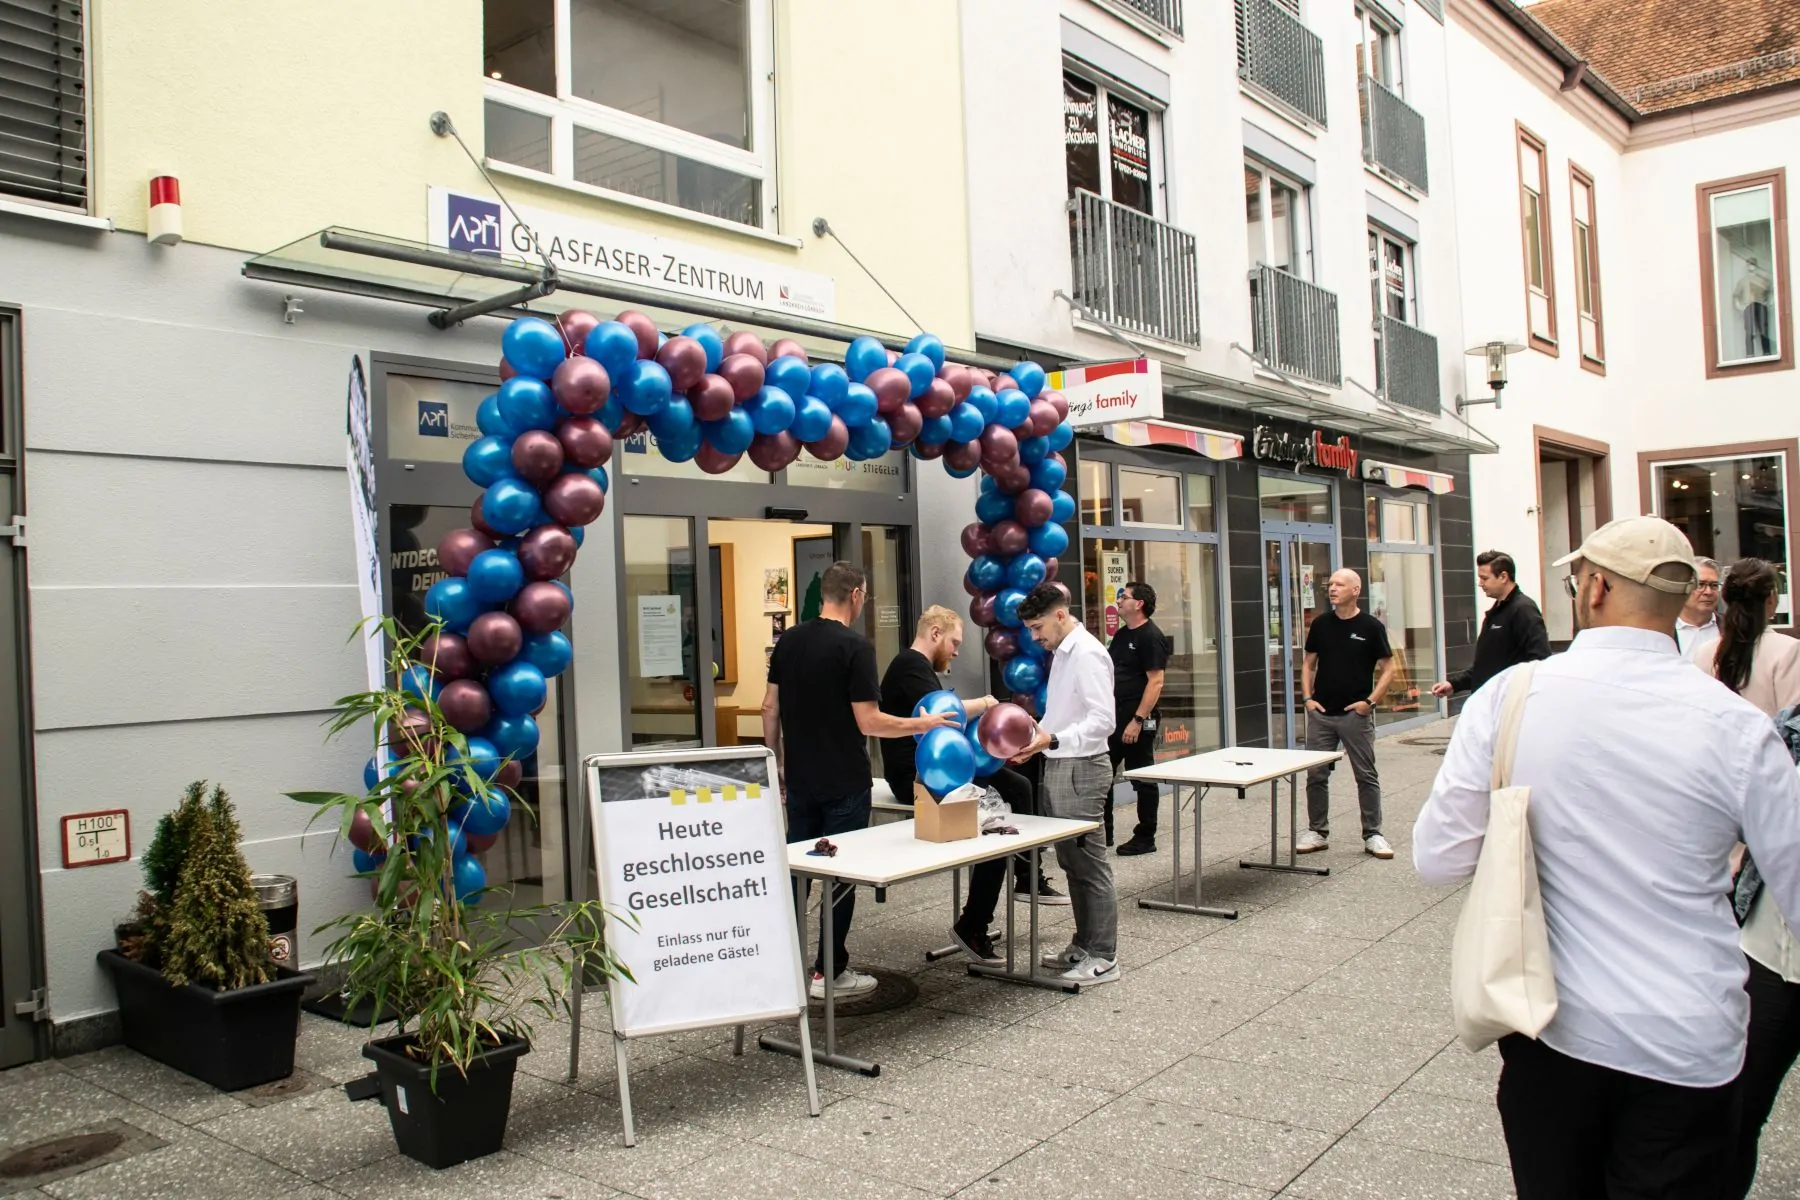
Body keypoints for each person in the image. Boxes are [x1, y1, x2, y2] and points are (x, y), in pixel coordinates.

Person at [1413, 517, 1800, 1200]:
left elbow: (1439, 858)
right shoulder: (1738, 727)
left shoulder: (1511, 696)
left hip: (1550, 1024)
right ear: (1684, 599)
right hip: (1689, 1036)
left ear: (1593, 588)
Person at [762, 562, 956, 999]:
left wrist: (777, 763)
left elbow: (768, 708)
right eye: (865, 597)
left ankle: (782, 969)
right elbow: (868, 722)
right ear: (855, 596)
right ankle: (829, 973)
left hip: (801, 778)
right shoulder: (856, 647)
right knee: (840, 875)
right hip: (845, 780)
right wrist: (920, 726)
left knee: (797, 874)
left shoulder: (788, 640)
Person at [1692, 559, 1800, 1199]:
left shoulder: (1708, 650)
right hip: (1764, 823)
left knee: (1745, 1097)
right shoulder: (1785, 653)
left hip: (1731, 825)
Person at [877, 607, 1061, 964]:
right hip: (920, 777)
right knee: (998, 829)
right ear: (934, 633)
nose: (957, 651)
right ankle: (973, 923)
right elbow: (946, 716)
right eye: (955, 642)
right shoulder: (909, 667)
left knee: (1018, 787)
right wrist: (988, 703)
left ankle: (1026, 873)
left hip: (943, 769)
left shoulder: (916, 668)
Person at [1011, 583, 1122, 986]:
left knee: (1089, 864)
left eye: (1038, 627)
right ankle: (1084, 944)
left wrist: (1053, 739)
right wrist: (1037, 740)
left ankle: (1105, 956)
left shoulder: (1088, 652)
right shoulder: (1062, 652)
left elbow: (1103, 720)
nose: (1034, 637)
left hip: (1082, 767)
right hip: (1061, 763)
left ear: (1060, 615)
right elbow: (1065, 713)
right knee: (1073, 864)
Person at [1297, 569, 1397, 859]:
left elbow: (1389, 668)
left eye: (1339, 585)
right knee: (1316, 775)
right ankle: (1317, 831)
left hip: (1356, 715)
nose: (1332, 589)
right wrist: (1307, 699)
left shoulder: (1371, 626)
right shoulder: (1320, 624)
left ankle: (1373, 834)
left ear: (1356, 590)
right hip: (1322, 714)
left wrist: (1370, 702)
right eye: (1330, 585)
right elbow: (1308, 664)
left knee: (1365, 775)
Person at [1431, 550, 1550, 700]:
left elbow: (1540, 660)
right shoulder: (1495, 612)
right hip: (1488, 702)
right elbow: (1485, 665)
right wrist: (1454, 685)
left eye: (1484, 578)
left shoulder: (1523, 609)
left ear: (1503, 577)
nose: (1480, 584)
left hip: (1507, 704)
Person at [1109, 581, 1169, 857]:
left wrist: (1137, 720)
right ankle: (1103, 832)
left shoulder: (1150, 636)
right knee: (1103, 774)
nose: (1119, 600)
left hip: (1137, 719)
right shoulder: (1122, 636)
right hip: (1115, 717)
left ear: (1139, 604)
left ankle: (1146, 836)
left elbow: (1155, 682)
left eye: (1125, 596)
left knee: (1142, 777)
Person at [1676, 557, 1722, 657]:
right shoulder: (1664, 629)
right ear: (1684, 587)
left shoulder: (1730, 627)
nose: (1708, 592)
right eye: (1700, 585)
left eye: (1714, 585)